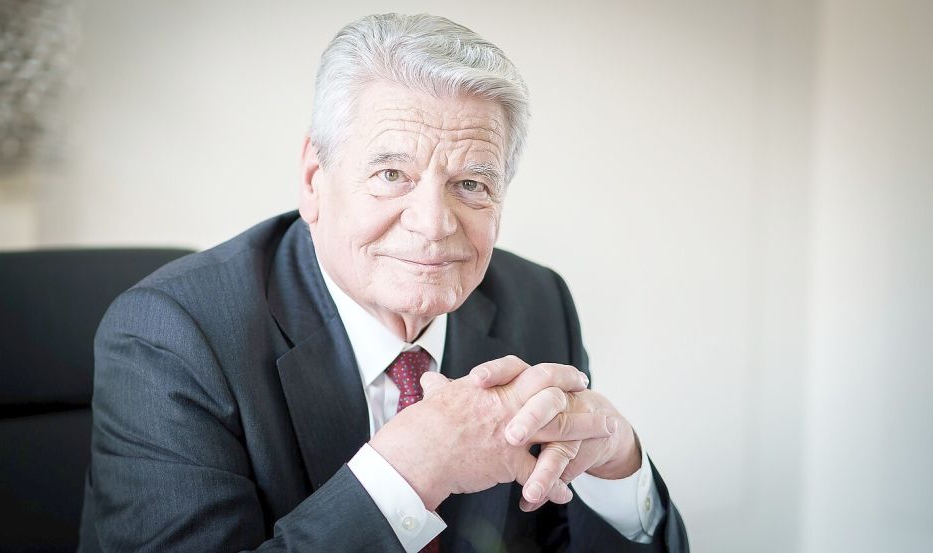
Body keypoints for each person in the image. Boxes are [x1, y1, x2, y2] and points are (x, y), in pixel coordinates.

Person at [78, 13, 688, 553]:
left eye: (471, 184)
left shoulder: (537, 301)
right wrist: (412, 468)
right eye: (392, 173)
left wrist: (620, 469)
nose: (433, 224)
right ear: (315, 179)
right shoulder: (173, 335)